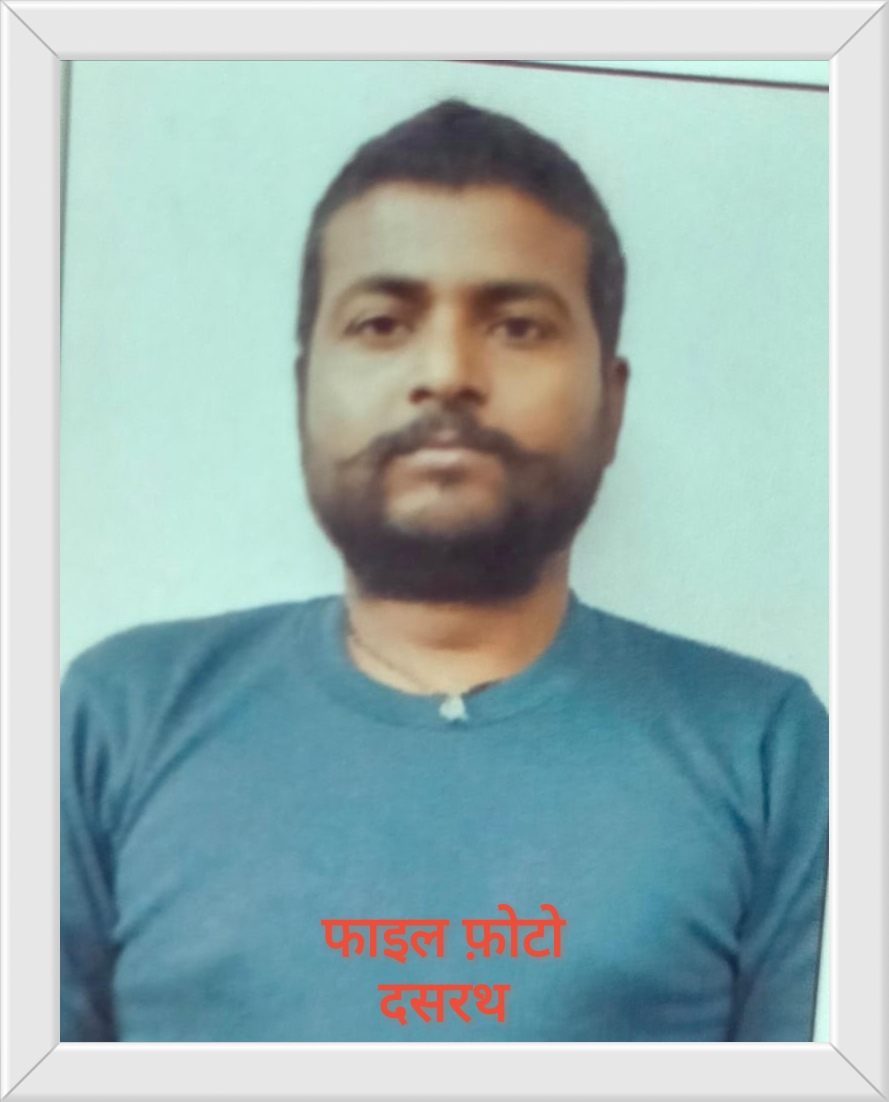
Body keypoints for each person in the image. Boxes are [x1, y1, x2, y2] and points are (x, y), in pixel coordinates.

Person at [61, 99, 828, 1042]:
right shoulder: (116, 719)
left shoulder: (766, 749)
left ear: (610, 404)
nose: (447, 372)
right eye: (383, 322)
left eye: (517, 326)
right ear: (304, 392)